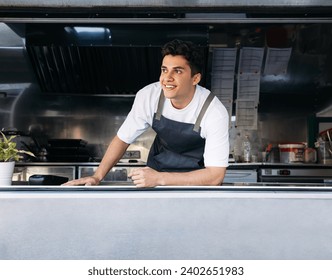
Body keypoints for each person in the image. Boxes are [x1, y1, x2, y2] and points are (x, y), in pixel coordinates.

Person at [64, 39, 229, 188]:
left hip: (197, 181)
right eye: (164, 70)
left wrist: (160, 179)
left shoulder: (213, 111)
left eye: (177, 71)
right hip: (158, 175)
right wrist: (97, 176)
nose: (167, 78)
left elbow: (215, 176)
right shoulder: (150, 96)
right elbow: (122, 139)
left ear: (195, 79)